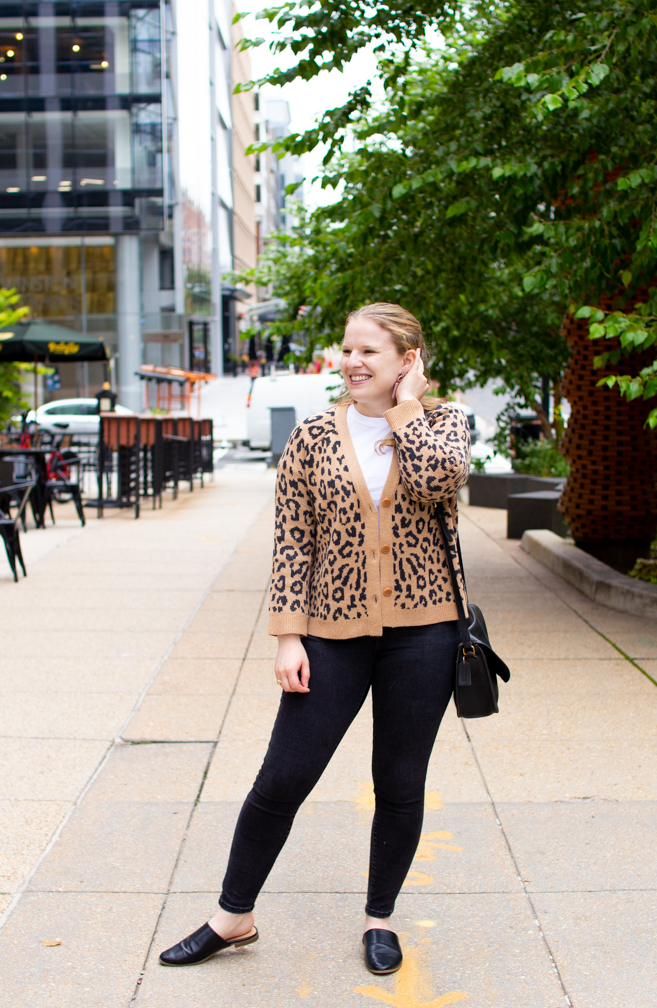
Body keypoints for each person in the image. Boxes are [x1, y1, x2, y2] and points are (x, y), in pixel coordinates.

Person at [159, 302, 471, 975]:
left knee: (398, 781)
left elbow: (436, 481)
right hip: (330, 632)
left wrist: (408, 408)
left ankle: (378, 919)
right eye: (347, 349)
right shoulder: (311, 437)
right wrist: (286, 637)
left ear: (407, 360)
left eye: (371, 352)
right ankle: (232, 915)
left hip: (424, 634)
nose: (353, 363)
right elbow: (292, 544)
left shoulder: (441, 422)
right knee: (283, 777)